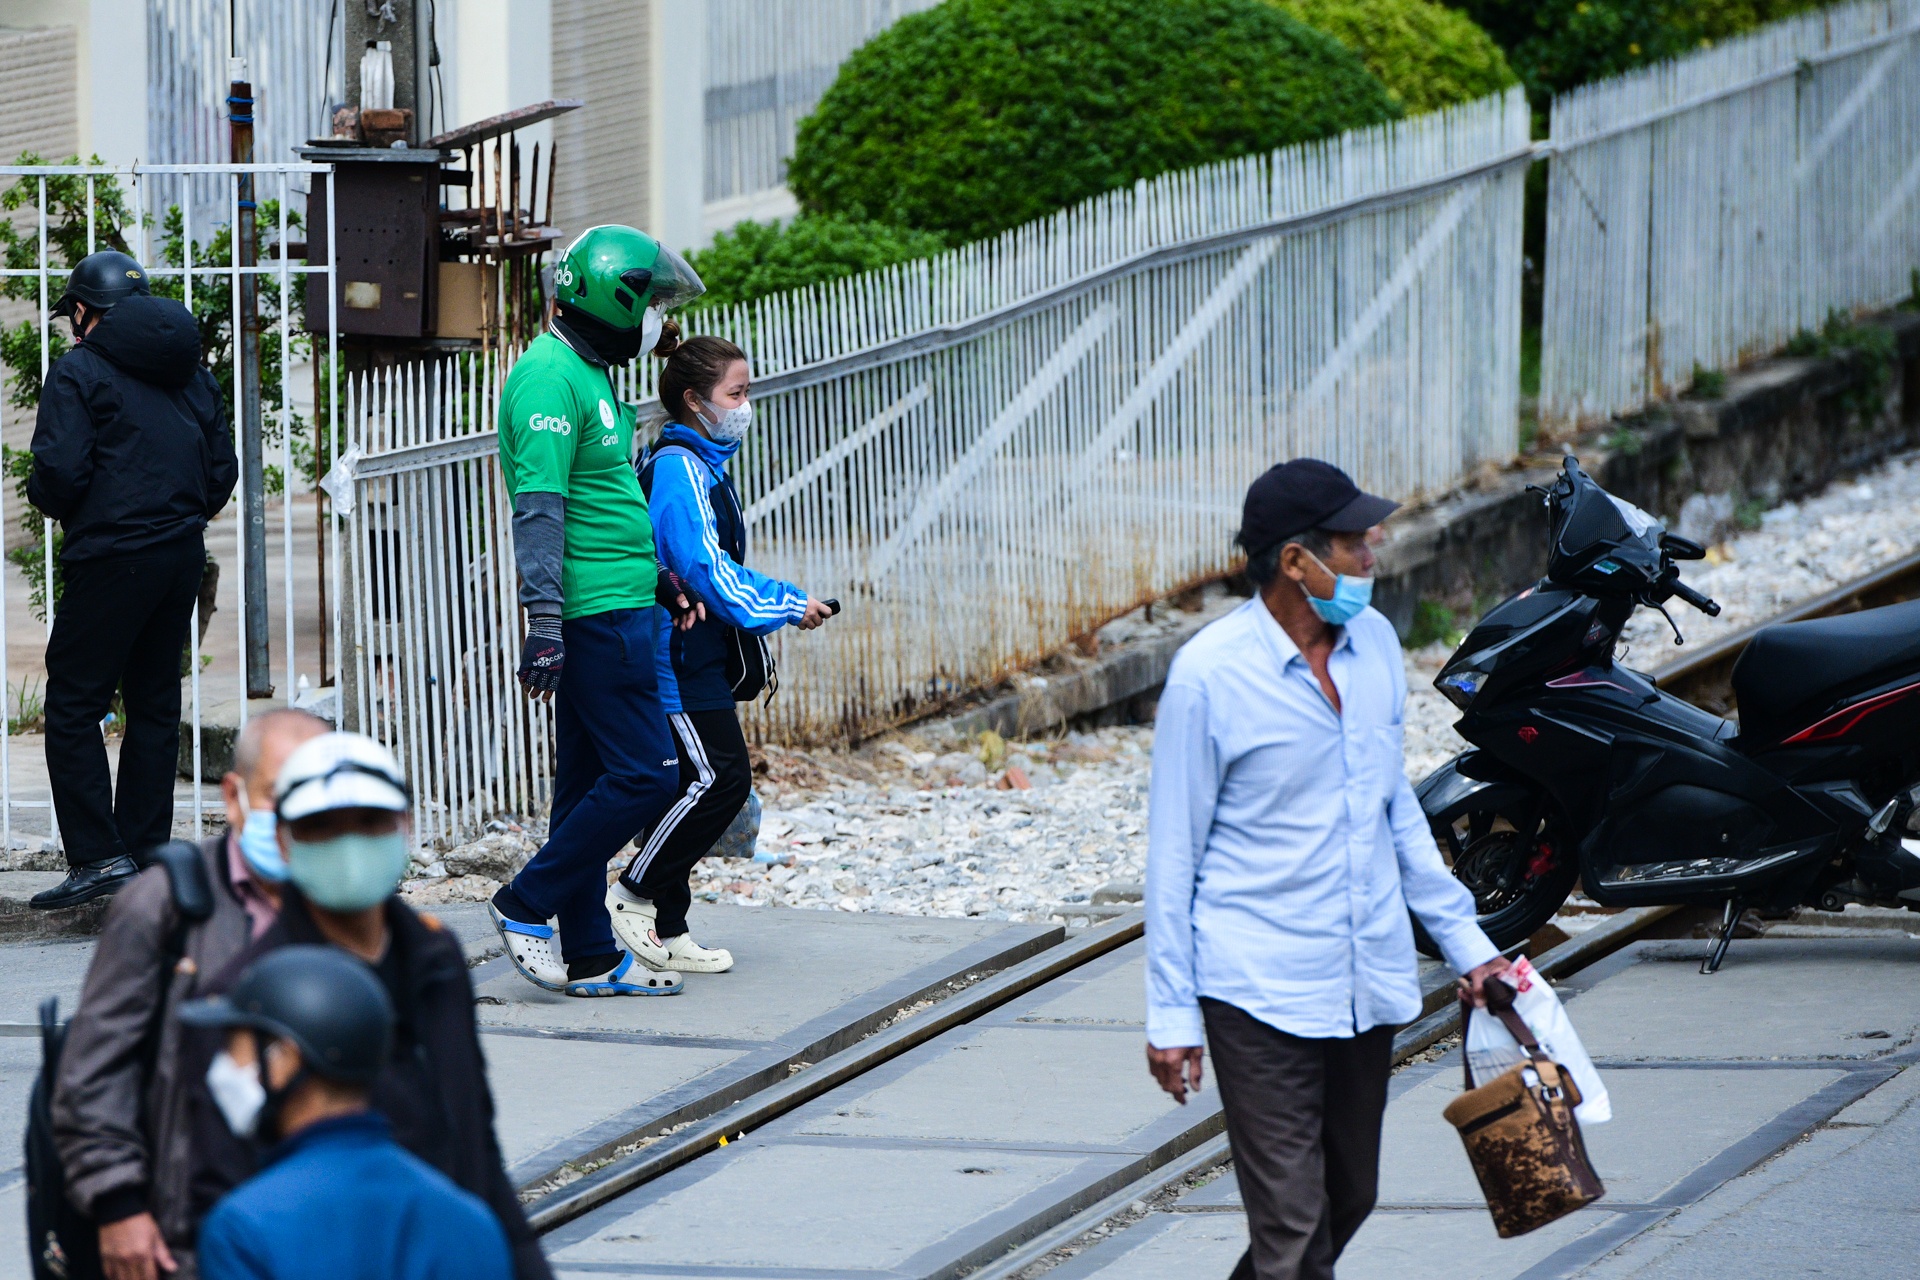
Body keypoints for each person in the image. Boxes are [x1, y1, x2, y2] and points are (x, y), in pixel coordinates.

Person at [1144, 458, 1511, 1280]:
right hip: (1256, 987)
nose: (1372, 554)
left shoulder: (1375, 644)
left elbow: (1397, 810)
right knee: (1292, 1232)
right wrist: (1171, 1016)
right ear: (1294, 561)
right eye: (1352, 543)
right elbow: (1172, 858)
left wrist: (1468, 946)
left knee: (1348, 1199)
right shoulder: (1210, 676)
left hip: (1364, 979)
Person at [183, 731, 551, 1280]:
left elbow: (474, 1133)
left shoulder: (434, 955)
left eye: (369, 823)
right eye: (322, 828)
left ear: (403, 827)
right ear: (284, 842)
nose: (348, 844)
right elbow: (219, 1174)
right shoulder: (253, 991)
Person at [488, 224, 706, 998]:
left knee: (584, 790)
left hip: (621, 598)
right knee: (649, 774)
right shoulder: (548, 379)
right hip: (592, 613)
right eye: (645, 302)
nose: (653, 320)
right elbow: (540, 511)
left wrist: (656, 578)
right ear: (613, 299)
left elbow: (602, 501)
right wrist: (543, 621)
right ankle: (522, 904)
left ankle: (588, 955)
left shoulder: (587, 373)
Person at [53, 707, 327, 1280]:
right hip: (187, 1232)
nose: (299, 816)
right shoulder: (165, 906)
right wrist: (119, 1204)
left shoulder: (355, 911)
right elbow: (93, 1073)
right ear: (235, 798)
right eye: (280, 794)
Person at [606, 335, 834, 975]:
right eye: (736, 393)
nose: (744, 405)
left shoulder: (702, 464)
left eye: (747, 392)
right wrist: (788, 603)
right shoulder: (680, 468)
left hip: (698, 651)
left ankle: (670, 928)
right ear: (692, 400)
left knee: (689, 781)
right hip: (676, 653)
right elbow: (704, 570)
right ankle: (633, 893)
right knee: (720, 778)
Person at [29, 250, 239, 909]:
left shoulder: (79, 371)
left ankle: (97, 858)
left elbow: (58, 476)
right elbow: (221, 472)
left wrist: (78, 509)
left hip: (111, 558)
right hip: (179, 555)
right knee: (153, 703)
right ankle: (146, 857)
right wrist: (176, 517)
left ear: (88, 312)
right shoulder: (191, 374)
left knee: (71, 705)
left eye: (74, 316)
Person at [182, 946, 512, 1280]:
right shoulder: (471, 1221)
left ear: (284, 1060)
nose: (222, 1068)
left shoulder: (242, 1230)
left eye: (233, 1049)